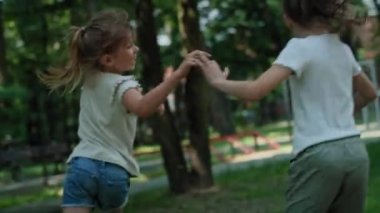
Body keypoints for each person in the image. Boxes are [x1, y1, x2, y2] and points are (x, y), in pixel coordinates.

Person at [197, 0, 377, 212]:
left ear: (288, 20)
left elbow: (256, 90)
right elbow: (370, 93)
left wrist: (219, 82)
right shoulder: (343, 48)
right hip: (355, 152)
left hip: (317, 154)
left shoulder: (299, 48)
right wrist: (343, 113)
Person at [39, 9, 208, 213]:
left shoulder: (91, 79)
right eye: (128, 46)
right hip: (112, 169)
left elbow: (134, 102)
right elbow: (142, 107)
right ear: (108, 60)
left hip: (81, 166)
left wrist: (152, 101)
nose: (135, 49)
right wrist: (177, 75)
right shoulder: (124, 85)